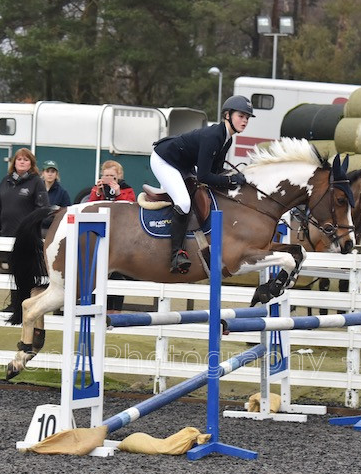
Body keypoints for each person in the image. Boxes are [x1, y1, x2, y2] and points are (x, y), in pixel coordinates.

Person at [151, 95, 252, 274]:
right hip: (164, 160)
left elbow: (216, 171)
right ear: (228, 115)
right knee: (183, 202)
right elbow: (205, 177)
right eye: (241, 116)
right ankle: (176, 255)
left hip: (182, 165)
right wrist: (230, 180)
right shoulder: (214, 136)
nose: (245, 121)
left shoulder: (227, 138)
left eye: (247, 117)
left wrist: (237, 179)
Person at [0, 147, 48, 312]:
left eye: (26, 159)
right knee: (13, 270)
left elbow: (42, 209)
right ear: (14, 162)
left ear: (31, 163)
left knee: (27, 272)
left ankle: (26, 305)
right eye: (19, 159)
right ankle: (15, 305)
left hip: (27, 237)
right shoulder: (5, 181)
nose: (22, 162)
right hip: (7, 234)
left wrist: (30, 228)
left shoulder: (36, 182)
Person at [87, 160, 137, 312]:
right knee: (95, 276)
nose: (109, 178)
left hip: (119, 239)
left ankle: (115, 311)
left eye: (112, 176)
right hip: (99, 237)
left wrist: (117, 192)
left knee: (117, 276)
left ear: (119, 176)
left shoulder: (127, 190)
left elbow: (129, 209)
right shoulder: (97, 189)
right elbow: (89, 208)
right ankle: (94, 309)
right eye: (106, 175)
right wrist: (98, 193)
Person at [40, 160, 71, 232]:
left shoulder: (62, 192)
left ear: (56, 174)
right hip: (36, 227)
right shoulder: (36, 189)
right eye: (47, 171)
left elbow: (67, 212)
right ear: (43, 173)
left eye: (52, 171)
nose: (50, 174)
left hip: (53, 230)